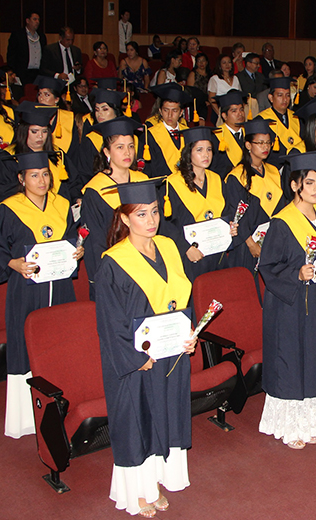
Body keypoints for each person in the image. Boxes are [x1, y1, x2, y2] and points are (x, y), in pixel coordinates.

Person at [95, 179, 194, 517]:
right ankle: (137, 491)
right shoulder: (113, 262)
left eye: (154, 211)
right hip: (137, 360)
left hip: (169, 351)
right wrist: (136, 358)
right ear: (124, 219)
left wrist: (189, 333)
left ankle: (157, 480)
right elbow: (110, 323)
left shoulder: (167, 245)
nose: (150, 220)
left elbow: (182, 297)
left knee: (165, 412)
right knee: (138, 418)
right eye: (141, 214)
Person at [0, 151, 82, 438]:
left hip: (61, 284)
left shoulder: (61, 204)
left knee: (62, 337)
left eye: (45, 174)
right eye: (34, 175)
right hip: (26, 287)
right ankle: (26, 418)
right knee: (25, 340)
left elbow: (73, 234)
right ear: (21, 178)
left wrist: (78, 249)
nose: (42, 180)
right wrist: (11, 262)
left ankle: (65, 404)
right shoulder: (9, 208)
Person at [256, 150, 316, 449]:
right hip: (291, 305)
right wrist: (297, 274)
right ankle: (292, 425)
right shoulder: (281, 223)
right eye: (309, 183)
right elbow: (268, 267)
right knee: (294, 360)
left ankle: (314, 419)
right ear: (295, 185)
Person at [81, 117, 150, 300]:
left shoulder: (143, 182)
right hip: (115, 271)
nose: (127, 152)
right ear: (107, 151)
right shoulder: (95, 191)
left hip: (145, 265)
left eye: (131, 146)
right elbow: (96, 243)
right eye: (120, 147)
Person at [163, 126, 238, 280]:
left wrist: (230, 225)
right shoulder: (173, 183)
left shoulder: (216, 179)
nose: (206, 155)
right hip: (192, 256)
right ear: (188, 153)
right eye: (199, 150)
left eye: (209, 150)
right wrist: (186, 248)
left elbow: (227, 211)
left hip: (218, 253)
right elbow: (166, 225)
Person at [223, 116, 285, 272]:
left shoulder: (273, 171)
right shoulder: (237, 177)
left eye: (268, 142)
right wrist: (251, 244)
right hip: (247, 245)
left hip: (272, 240)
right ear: (248, 145)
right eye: (260, 143)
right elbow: (235, 216)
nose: (266, 147)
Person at [0, 101, 73, 206]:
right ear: (24, 131)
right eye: (34, 131)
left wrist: (76, 199)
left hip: (59, 212)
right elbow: (4, 193)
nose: (40, 136)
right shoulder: (8, 158)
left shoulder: (57, 154)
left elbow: (73, 183)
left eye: (44, 132)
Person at [144, 84, 190, 179]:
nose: (170, 115)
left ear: (181, 112)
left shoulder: (188, 133)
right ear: (160, 111)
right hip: (163, 185)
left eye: (174, 111)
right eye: (166, 110)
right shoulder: (150, 135)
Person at [32, 76, 77, 156]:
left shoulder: (68, 118)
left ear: (56, 99)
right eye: (39, 94)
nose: (41, 98)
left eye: (46, 95)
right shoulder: (31, 118)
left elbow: (74, 149)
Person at [260, 77, 305, 158]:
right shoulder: (261, 120)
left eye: (287, 95)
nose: (285, 99)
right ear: (271, 98)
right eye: (280, 95)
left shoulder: (297, 118)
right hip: (275, 167)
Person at [209, 90, 247, 174]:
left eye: (241, 110)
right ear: (224, 116)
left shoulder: (249, 133)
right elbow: (212, 168)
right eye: (234, 111)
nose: (240, 114)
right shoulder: (215, 136)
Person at [6, 12, 46, 86]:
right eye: (34, 19)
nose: (37, 22)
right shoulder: (17, 35)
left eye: (38, 20)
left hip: (38, 73)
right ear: (27, 21)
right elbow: (11, 54)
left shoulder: (42, 37)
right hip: (23, 73)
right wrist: (12, 71)